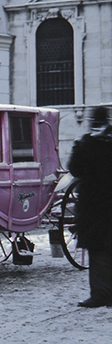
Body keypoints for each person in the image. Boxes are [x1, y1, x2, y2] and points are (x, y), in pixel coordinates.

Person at [67, 105, 112, 308]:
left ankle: (101, 294)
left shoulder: (86, 143)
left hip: (93, 204)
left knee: (98, 251)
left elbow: (74, 169)